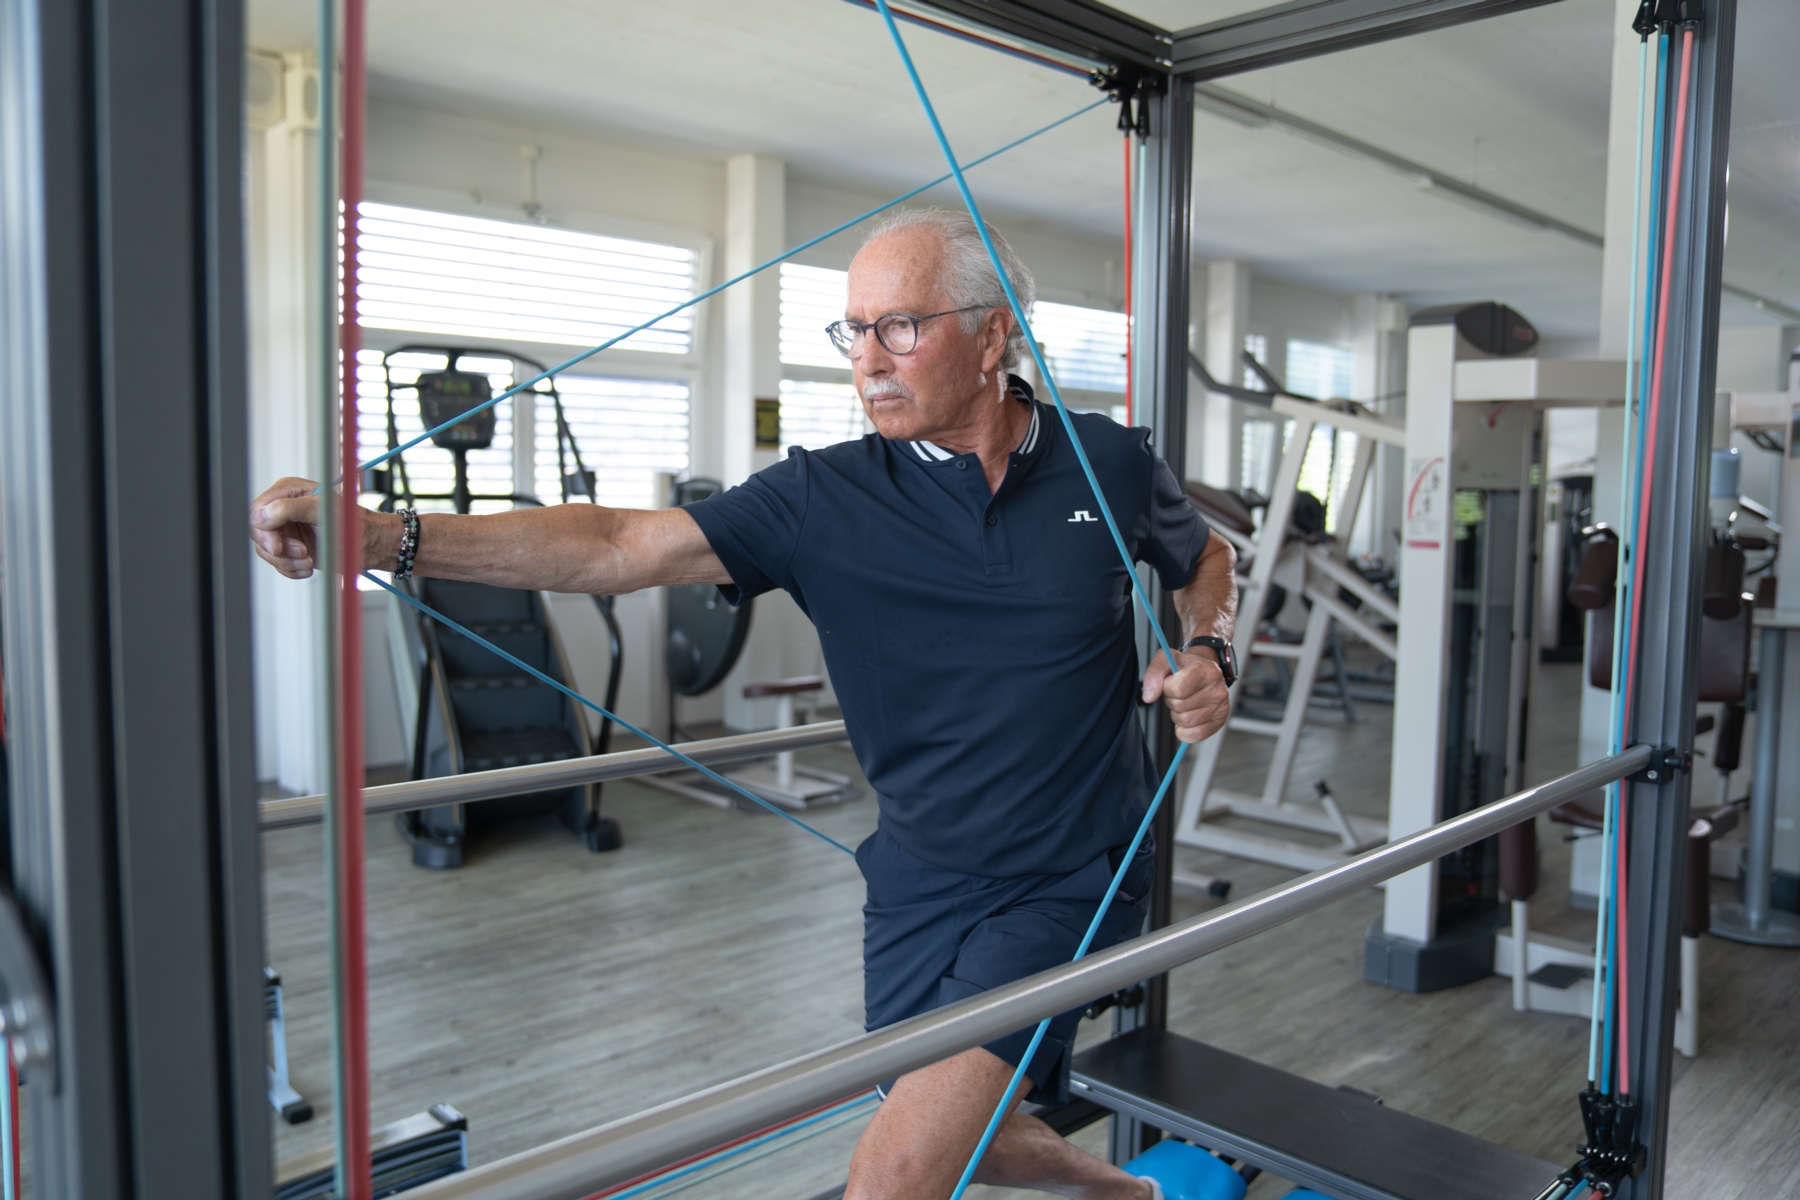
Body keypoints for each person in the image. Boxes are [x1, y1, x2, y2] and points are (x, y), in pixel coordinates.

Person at [251, 208, 1236, 1200]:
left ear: (992, 336)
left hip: (1074, 868)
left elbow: (1204, 559)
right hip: (921, 873)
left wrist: (1208, 646)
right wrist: (385, 538)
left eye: (901, 326)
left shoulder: (1105, 462)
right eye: (853, 330)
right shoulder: (821, 499)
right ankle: (1138, 1197)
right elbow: (617, 547)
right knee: (939, 1120)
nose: (868, 358)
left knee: (895, 1173)